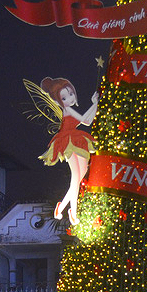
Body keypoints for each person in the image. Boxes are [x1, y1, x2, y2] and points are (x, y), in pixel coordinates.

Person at [34, 76, 98, 225]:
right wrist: (95, 104)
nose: (69, 98)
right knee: (76, 177)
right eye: (64, 96)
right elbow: (87, 120)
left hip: (74, 139)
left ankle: (62, 206)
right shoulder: (68, 109)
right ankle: (73, 213)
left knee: (80, 176)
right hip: (69, 141)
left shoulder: (70, 109)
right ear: (58, 100)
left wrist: (95, 104)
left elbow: (85, 120)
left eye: (70, 94)